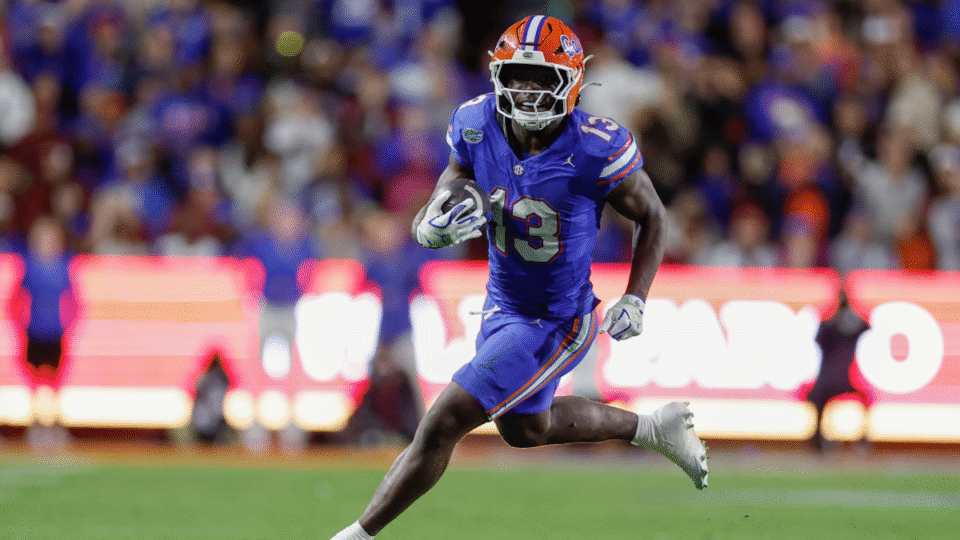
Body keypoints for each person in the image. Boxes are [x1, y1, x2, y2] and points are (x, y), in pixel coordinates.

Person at [329, 16, 708, 540]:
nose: (528, 90)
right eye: (518, 76)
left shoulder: (594, 147)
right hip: (500, 304)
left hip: (555, 319)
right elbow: (458, 172)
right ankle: (652, 426)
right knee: (527, 429)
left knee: (444, 420)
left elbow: (654, 215)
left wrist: (637, 296)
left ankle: (355, 536)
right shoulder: (475, 121)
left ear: (570, 82)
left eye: (541, 77)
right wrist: (441, 208)